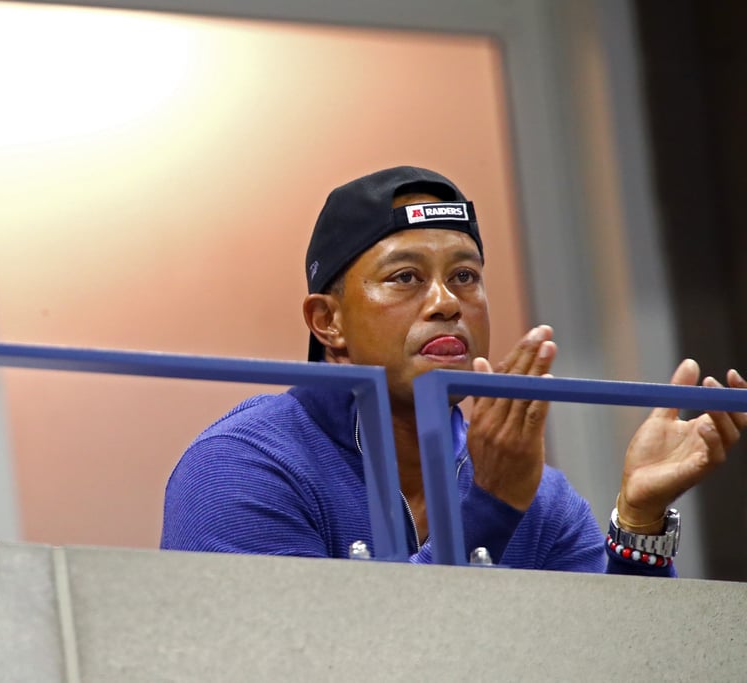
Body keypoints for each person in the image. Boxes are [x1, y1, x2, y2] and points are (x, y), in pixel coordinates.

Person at [160, 165, 746, 574]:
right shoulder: (241, 465)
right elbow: (318, 663)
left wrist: (638, 520)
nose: (446, 302)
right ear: (327, 321)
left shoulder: (534, 492)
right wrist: (489, 506)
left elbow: (620, 660)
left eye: (464, 276)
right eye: (405, 277)